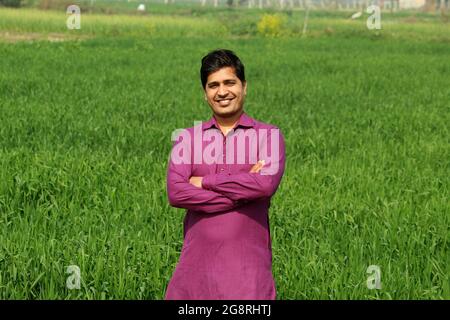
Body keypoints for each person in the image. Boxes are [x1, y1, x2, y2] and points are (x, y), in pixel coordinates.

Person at [165, 49, 286, 300]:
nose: (222, 92)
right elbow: (176, 193)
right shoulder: (188, 138)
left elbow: (264, 185)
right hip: (193, 279)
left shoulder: (269, 136)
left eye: (229, 82)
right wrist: (242, 192)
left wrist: (204, 182)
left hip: (248, 278)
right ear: (205, 93)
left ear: (244, 86)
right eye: (213, 85)